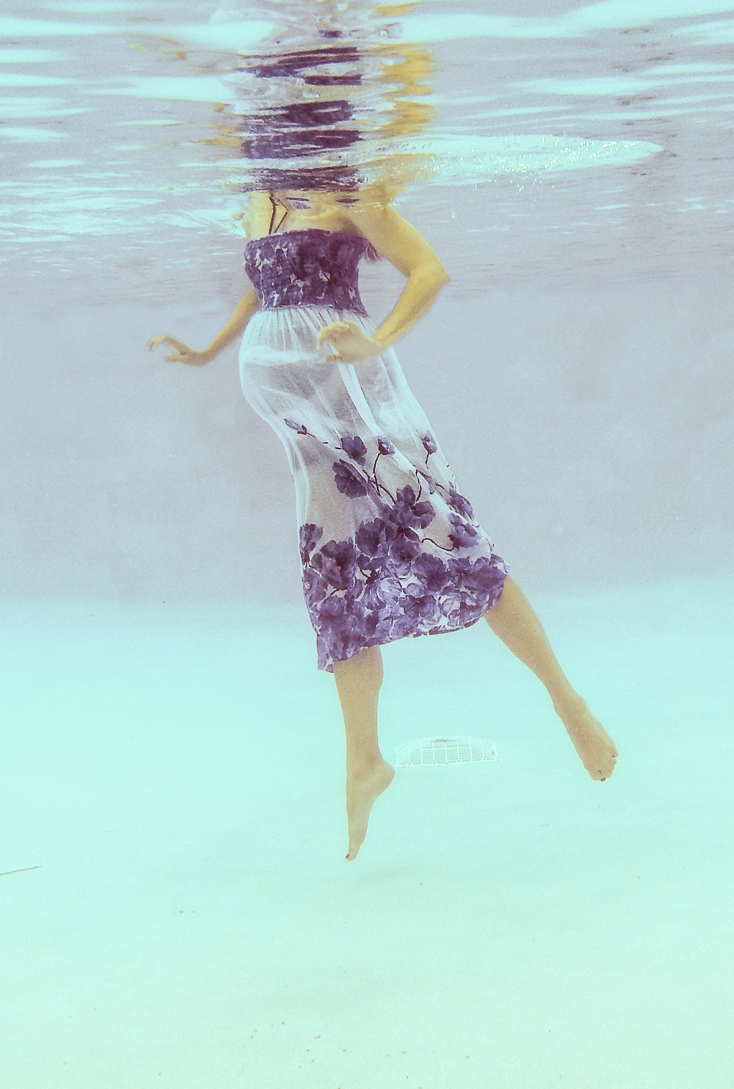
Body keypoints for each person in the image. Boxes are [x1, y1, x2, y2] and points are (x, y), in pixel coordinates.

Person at [148, 187, 617, 859]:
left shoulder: (345, 186)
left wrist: (377, 341)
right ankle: (363, 761)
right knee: (334, 574)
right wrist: (208, 349)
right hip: (293, 410)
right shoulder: (259, 193)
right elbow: (267, 290)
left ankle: (567, 702)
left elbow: (429, 270)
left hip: (356, 392)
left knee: (452, 540)